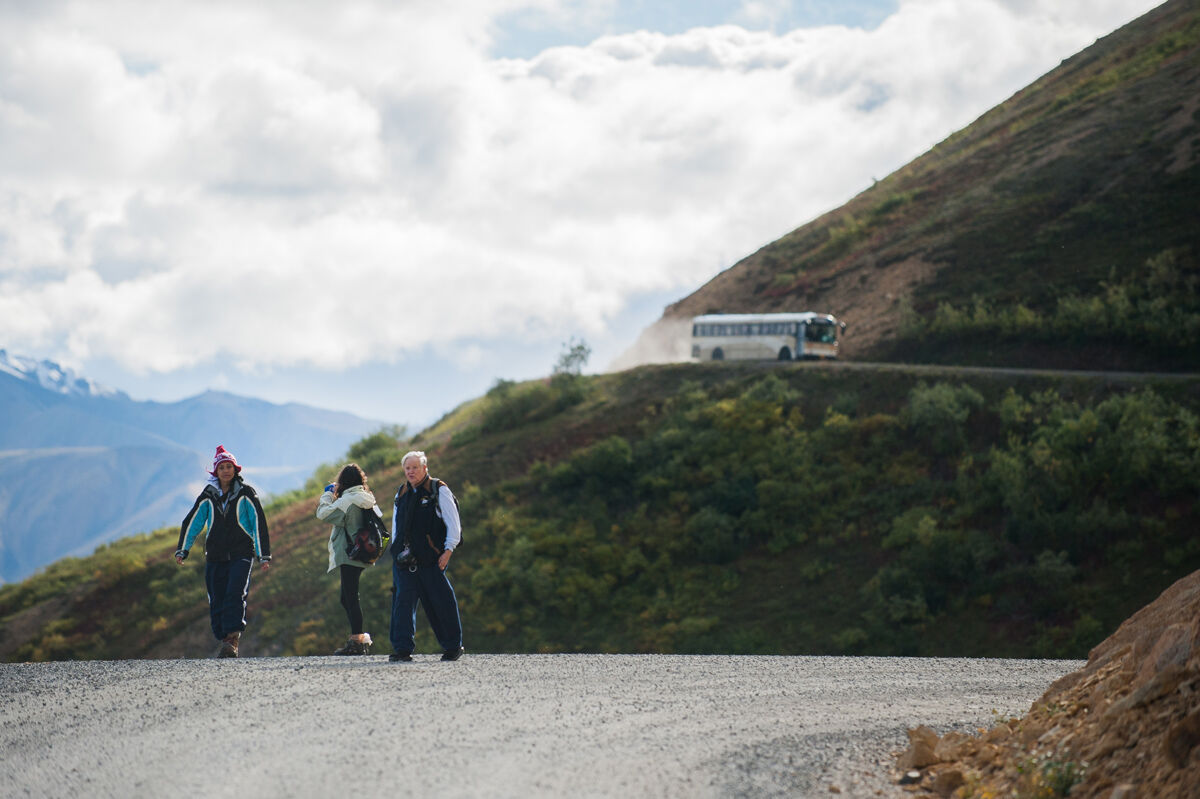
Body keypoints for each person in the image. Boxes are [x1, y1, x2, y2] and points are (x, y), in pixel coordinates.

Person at [175, 445, 271, 658]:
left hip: (241, 554)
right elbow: (193, 522)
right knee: (216, 597)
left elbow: (258, 524)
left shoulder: (246, 494)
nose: (226, 471)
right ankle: (223, 635)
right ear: (215, 472)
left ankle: (232, 639)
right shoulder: (208, 495)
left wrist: (263, 555)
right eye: (222, 468)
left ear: (235, 470)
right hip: (215, 556)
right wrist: (183, 549)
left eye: (229, 467)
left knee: (235, 593)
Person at [388, 450, 464, 662]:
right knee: (402, 603)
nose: (410, 471)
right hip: (404, 561)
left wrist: (448, 551)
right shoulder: (401, 492)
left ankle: (453, 647)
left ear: (425, 468)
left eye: (415, 467)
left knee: (440, 601)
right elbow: (396, 525)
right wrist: (395, 552)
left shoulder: (439, 490)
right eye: (407, 468)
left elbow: (453, 524)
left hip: (432, 559)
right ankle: (402, 650)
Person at [316, 462, 384, 656]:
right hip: (364, 550)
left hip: (350, 553)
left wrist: (328, 494)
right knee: (346, 598)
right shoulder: (367, 497)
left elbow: (322, 513)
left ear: (343, 481)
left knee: (350, 598)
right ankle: (359, 638)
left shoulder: (347, 501)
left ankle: (357, 641)